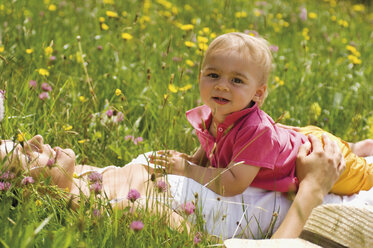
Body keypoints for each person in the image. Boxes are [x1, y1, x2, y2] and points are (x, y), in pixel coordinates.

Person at [3, 134, 373, 240]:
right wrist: (315, 186)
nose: (35, 140)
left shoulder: (89, 178)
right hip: (326, 208)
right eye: (22, 156)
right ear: (29, 192)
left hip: (297, 175)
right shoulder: (125, 210)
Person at [149, 32, 373, 196]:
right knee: (350, 147)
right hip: (301, 135)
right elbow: (212, 142)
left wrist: (189, 170)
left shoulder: (255, 131)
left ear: (258, 93)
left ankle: (358, 153)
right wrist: (195, 159)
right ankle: (360, 146)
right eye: (213, 75)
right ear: (200, 77)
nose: (222, 86)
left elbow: (234, 182)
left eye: (236, 80)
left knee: (364, 177)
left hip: (317, 154)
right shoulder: (212, 112)